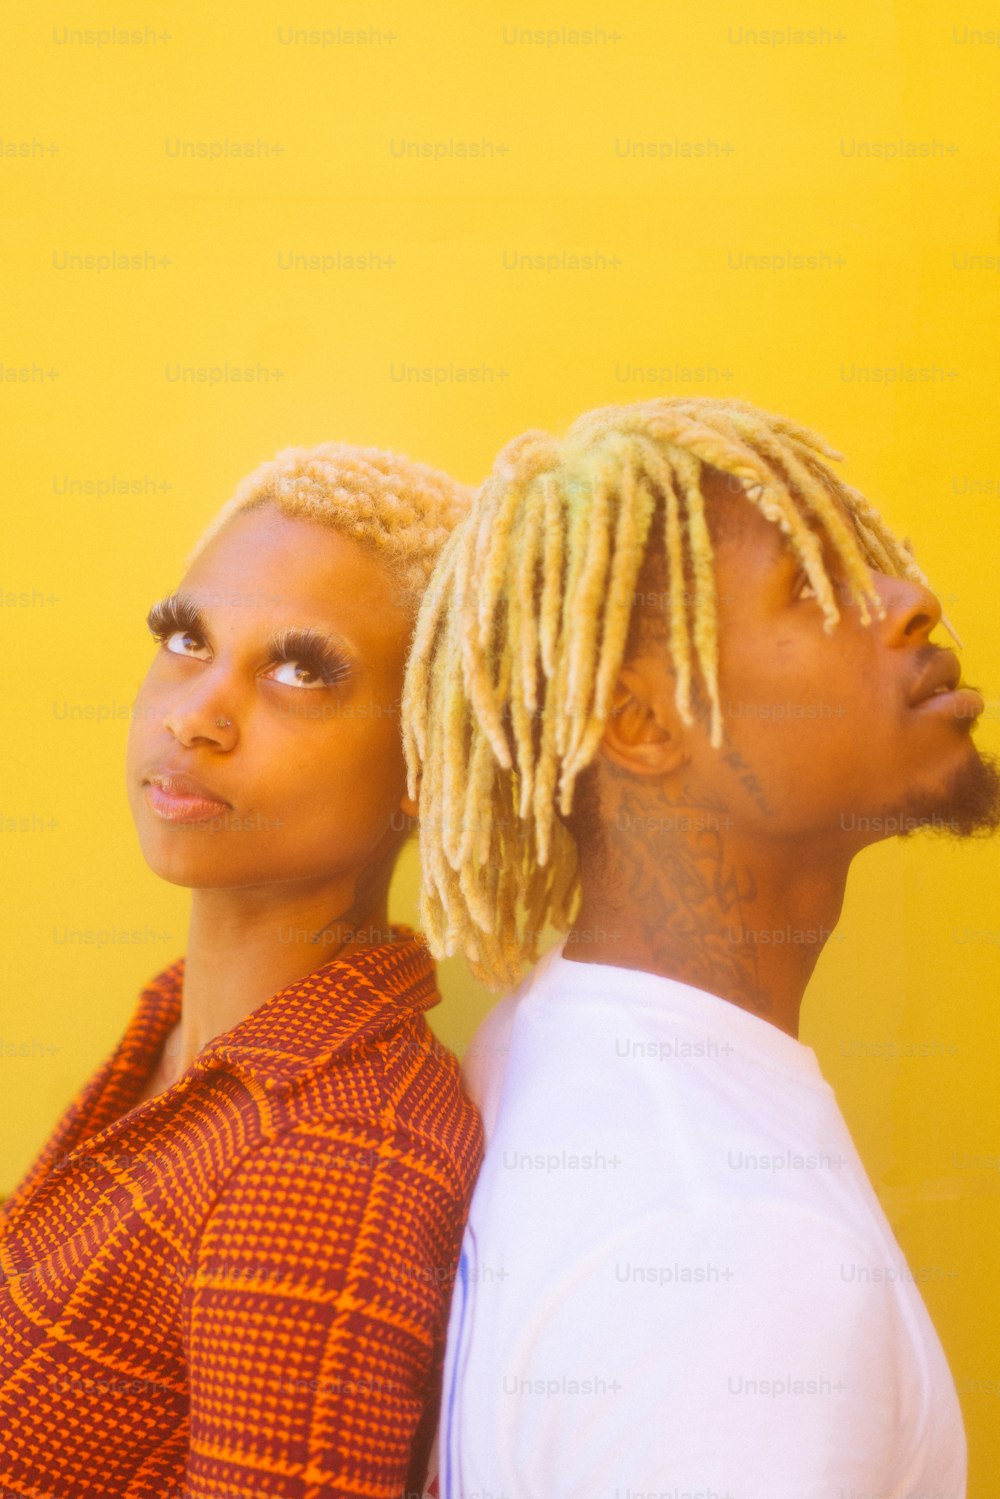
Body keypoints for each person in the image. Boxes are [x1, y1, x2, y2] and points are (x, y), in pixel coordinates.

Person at [402, 397, 999, 1498]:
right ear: (641, 725)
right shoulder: (733, 1267)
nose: (913, 604)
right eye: (812, 591)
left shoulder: (556, 1037)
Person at [0, 443, 483, 1498]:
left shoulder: (333, 1151)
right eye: (187, 638)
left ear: (426, 761)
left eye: (300, 669)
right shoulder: (184, 1025)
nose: (195, 716)